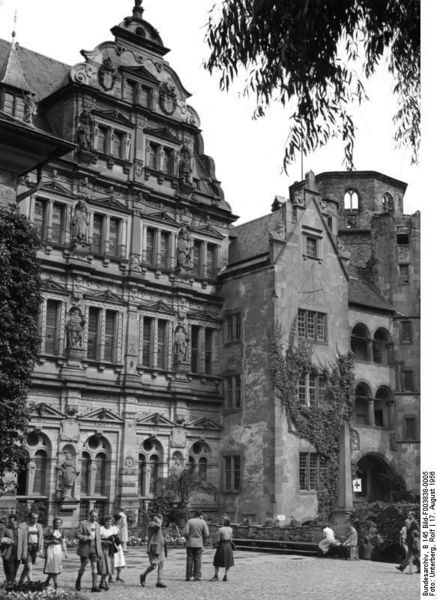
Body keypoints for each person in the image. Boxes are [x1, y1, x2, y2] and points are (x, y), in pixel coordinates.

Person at [75, 509, 103, 593]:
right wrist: (86, 538)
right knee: (84, 565)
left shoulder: (97, 525)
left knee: (94, 566)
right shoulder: (83, 523)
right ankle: (78, 579)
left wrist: (100, 551)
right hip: (85, 547)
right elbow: (77, 534)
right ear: (89, 515)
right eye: (92, 516)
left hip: (95, 548)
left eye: (95, 516)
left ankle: (94, 586)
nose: (94, 518)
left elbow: (98, 539)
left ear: (97, 517)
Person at [140, 514, 167, 588]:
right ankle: (143, 575)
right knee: (153, 566)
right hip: (154, 548)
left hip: (160, 548)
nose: (161, 520)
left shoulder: (159, 525)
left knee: (161, 564)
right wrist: (158, 520)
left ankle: (159, 581)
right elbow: (158, 527)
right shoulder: (152, 524)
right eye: (160, 518)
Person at [17, 512, 44, 584]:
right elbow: (20, 538)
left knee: (27, 567)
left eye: (36, 518)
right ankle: (30, 581)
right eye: (33, 518)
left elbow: (41, 538)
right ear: (29, 518)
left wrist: (40, 549)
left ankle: (21, 581)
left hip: (35, 548)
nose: (35, 520)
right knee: (29, 566)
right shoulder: (23, 525)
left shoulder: (39, 526)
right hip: (27, 547)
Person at [183, 509, 209, 581]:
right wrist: (202, 538)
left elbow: (185, 533)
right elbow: (206, 534)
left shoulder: (189, 521)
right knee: (197, 560)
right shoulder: (203, 522)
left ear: (194, 514)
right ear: (200, 515)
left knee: (189, 559)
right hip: (199, 543)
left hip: (190, 543)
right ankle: (196, 576)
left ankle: (188, 576)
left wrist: (188, 537)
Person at [43, 518, 68, 589]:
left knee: (56, 567)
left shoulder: (62, 531)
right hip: (51, 549)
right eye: (56, 523)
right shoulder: (50, 530)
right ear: (53, 523)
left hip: (58, 550)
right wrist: (51, 541)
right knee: (52, 567)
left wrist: (66, 552)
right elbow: (44, 541)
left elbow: (63, 542)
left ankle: (46, 581)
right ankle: (55, 584)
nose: (58, 524)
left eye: (59, 523)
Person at [99, 515, 120, 590]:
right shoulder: (101, 529)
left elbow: (116, 538)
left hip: (110, 549)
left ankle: (103, 581)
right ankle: (104, 581)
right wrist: (104, 541)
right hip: (103, 548)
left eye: (110, 521)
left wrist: (114, 540)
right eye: (107, 521)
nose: (109, 523)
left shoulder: (113, 529)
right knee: (104, 566)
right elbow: (97, 540)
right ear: (104, 522)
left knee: (110, 566)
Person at [210, 517, 234, 582]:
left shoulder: (221, 529)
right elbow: (231, 539)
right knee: (228, 562)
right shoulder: (231, 529)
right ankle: (225, 576)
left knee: (217, 561)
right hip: (228, 546)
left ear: (224, 522)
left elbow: (218, 539)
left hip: (222, 545)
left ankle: (216, 576)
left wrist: (214, 544)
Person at [0, 514, 20, 588]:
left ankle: (11, 585)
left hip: (17, 553)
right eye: (10, 521)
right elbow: (0, 538)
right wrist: (7, 540)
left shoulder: (20, 530)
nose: (12, 523)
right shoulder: (5, 529)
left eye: (13, 521)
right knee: (9, 570)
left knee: (15, 570)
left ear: (17, 521)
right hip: (8, 552)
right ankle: (10, 586)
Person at [113, 514, 126, 582]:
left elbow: (123, 523)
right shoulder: (113, 527)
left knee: (120, 560)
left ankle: (118, 576)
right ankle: (110, 576)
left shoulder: (118, 526)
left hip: (118, 545)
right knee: (114, 560)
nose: (121, 521)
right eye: (120, 520)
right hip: (114, 545)